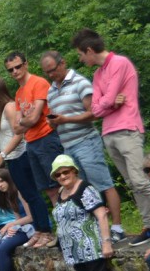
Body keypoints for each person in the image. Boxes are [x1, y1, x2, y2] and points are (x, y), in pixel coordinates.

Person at [71, 28, 150, 246]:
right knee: (132, 182)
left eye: (81, 54)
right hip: (109, 132)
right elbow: (96, 109)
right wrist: (109, 103)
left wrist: (106, 103)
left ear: (89, 50)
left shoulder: (119, 63)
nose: (80, 59)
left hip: (128, 128)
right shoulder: (98, 75)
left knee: (141, 180)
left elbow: (103, 102)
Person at [41, 50, 125, 242]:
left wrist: (65, 119)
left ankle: (118, 227)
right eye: (47, 72)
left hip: (86, 141)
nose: (51, 75)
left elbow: (94, 113)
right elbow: (56, 115)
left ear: (63, 63)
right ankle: (96, 228)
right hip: (67, 145)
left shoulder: (80, 82)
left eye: (53, 70)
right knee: (83, 190)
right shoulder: (51, 90)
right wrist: (53, 123)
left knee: (103, 184)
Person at [50, 155, 117, 271]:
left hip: (91, 247)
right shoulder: (61, 193)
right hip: (74, 251)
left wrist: (106, 242)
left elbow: (101, 215)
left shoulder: (85, 189)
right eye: (58, 175)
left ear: (74, 171)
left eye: (66, 172)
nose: (63, 177)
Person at [0, 76, 52, 248]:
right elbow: (6, 131)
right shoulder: (2, 110)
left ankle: (46, 230)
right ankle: (38, 230)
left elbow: (18, 133)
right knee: (27, 195)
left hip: (19, 155)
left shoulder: (9, 106)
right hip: (12, 158)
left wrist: (2, 154)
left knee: (32, 194)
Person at [5, 51, 62, 248]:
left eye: (18, 67)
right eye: (11, 69)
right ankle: (51, 231)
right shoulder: (19, 93)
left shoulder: (38, 83)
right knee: (48, 189)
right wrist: (25, 122)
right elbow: (16, 127)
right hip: (32, 142)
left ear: (26, 64)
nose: (15, 71)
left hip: (47, 138)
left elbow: (35, 117)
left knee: (58, 185)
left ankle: (64, 230)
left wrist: (25, 121)